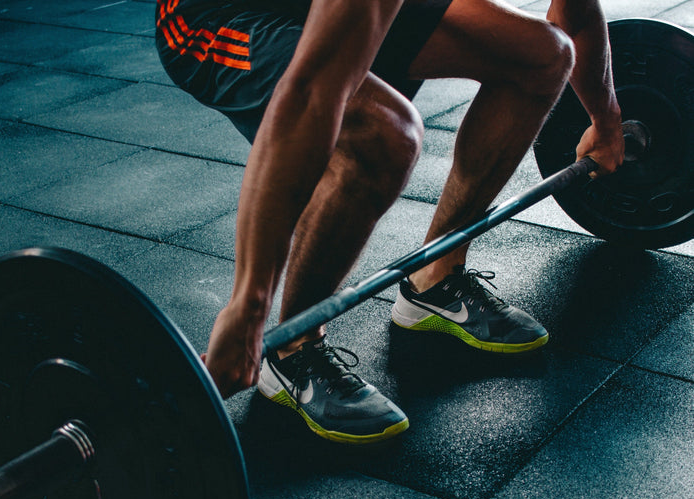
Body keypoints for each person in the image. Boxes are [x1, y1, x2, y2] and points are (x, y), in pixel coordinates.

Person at [156, 0, 624, 444]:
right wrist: (248, 307)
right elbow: (312, 91)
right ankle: (293, 350)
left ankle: (434, 278)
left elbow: (575, 15)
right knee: (385, 134)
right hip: (216, 15)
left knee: (543, 55)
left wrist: (606, 120)